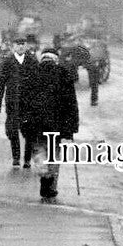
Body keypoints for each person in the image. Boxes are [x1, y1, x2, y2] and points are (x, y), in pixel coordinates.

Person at [19, 47, 80, 202]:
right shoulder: (63, 74)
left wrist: (23, 123)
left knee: (39, 151)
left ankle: (44, 179)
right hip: (57, 125)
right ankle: (51, 186)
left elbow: (23, 101)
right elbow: (71, 103)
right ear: (55, 59)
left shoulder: (31, 74)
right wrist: (72, 127)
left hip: (36, 124)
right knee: (54, 154)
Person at [0, 34, 39, 168]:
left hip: (29, 103)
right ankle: (16, 157)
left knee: (29, 131)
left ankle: (27, 159)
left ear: (26, 46)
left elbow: (38, 81)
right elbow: (1, 82)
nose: (20, 47)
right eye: (18, 44)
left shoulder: (32, 60)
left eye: (23, 44)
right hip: (12, 102)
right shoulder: (8, 61)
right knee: (13, 130)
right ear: (13, 46)